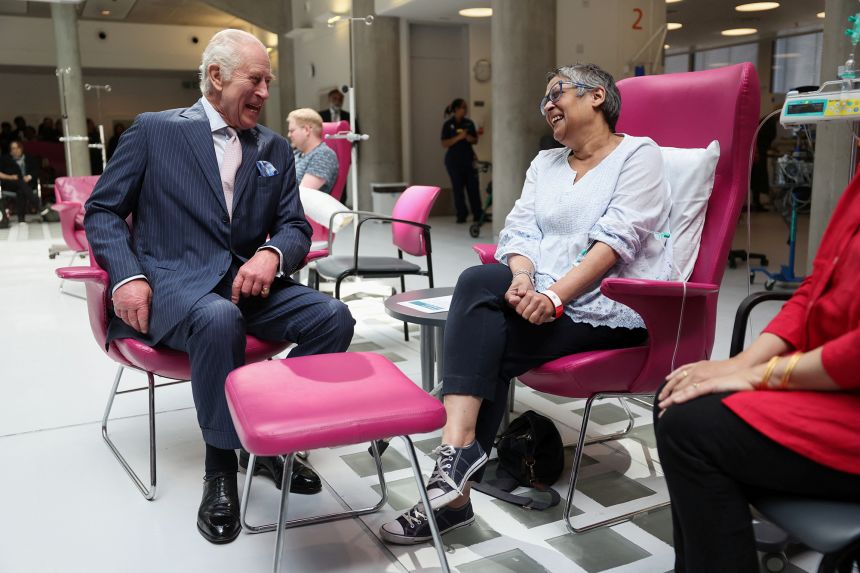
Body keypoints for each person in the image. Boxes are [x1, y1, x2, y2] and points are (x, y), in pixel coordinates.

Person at [380, 63, 672, 544]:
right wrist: (521, 277)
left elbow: (618, 239)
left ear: (597, 96)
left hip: (610, 307)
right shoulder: (546, 163)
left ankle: (454, 489)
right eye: (544, 100)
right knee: (479, 281)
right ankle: (458, 460)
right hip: (539, 289)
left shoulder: (639, 155)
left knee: (485, 343)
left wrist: (555, 297)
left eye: (557, 92)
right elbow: (518, 231)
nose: (549, 105)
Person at [84, 29, 355, 545]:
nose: (265, 93)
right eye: (255, 79)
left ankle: (268, 439)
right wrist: (128, 275)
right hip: (174, 283)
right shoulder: (154, 131)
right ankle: (221, 468)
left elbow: (295, 226)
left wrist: (272, 254)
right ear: (215, 77)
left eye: (268, 81)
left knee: (334, 317)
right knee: (217, 318)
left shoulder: (273, 146)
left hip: (247, 284)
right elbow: (102, 209)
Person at [655, 174, 860, 573]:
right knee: (678, 389)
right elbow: (817, 287)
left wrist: (764, 375)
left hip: (846, 392)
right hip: (831, 382)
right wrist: (742, 363)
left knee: (690, 428)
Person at [441, 98, 483, 223]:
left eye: (466, 107)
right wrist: (459, 137)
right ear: (456, 109)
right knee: (458, 188)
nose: (465, 109)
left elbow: (475, 140)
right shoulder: (448, 125)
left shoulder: (469, 123)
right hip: (454, 161)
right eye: (463, 107)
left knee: (473, 187)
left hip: (468, 159)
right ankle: (461, 215)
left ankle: (477, 214)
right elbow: (444, 143)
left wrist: (469, 138)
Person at [286, 108, 339, 195]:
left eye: (292, 131)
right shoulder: (296, 153)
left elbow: (302, 195)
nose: (289, 135)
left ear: (306, 130)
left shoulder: (324, 155)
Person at [0, 140, 41, 225]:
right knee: (20, 183)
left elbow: (36, 171)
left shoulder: (29, 158)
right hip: (10, 183)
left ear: (21, 149)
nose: (15, 150)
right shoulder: (5, 159)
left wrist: (29, 177)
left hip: (27, 184)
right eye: (12, 149)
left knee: (21, 190)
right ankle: (38, 204)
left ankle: (21, 219)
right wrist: (10, 177)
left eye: (17, 148)